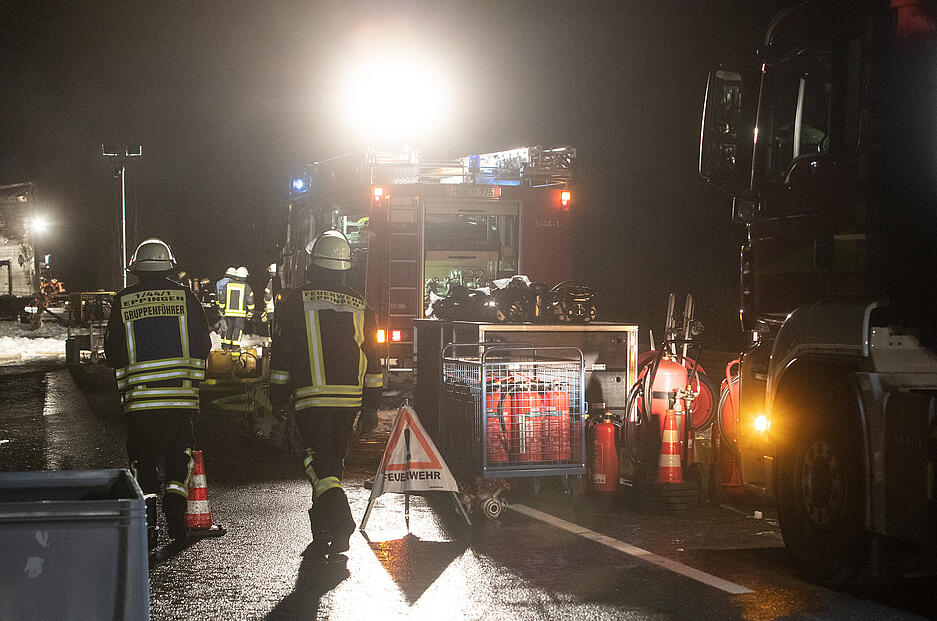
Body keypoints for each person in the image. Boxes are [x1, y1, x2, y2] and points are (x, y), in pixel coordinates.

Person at [269, 230, 383, 559]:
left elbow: (283, 354)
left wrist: (277, 396)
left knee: (316, 463)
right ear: (345, 267)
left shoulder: (295, 300)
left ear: (313, 265)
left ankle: (342, 522)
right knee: (332, 463)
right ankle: (323, 531)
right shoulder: (363, 306)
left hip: (310, 399)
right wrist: (371, 408)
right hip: (348, 401)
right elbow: (373, 363)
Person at [104, 238, 211, 548]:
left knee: (145, 461)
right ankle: (176, 516)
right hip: (180, 399)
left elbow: (113, 353)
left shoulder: (123, 300)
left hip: (140, 402)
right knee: (179, 457)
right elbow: (204, 345)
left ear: (136, 268)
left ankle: (147, 522)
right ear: (169, 266)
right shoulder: (186, 297)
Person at [220, 266, 254, 350]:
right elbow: (250, 300)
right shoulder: (246, 287)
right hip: (240, 314)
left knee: (229, 329)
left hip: (228, 313)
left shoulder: (227, 285)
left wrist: (221, 309)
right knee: (238, 330)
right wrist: (250, 311)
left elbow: (222, 298)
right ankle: (235, 347)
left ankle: (226, 346)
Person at [262, 262, 278, 338]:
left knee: (270, 325)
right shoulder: (280, 282)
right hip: (277, 309)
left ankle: (270, 340)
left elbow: (267, 296)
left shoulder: (271, 283)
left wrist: (266, 307)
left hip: (271, 309)